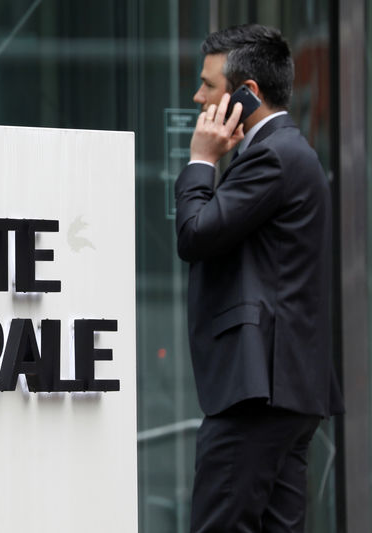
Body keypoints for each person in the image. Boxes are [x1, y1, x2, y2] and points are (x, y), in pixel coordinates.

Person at [175, 24, 344, 532]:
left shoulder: (272, 154)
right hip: (284, 391)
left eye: (208, 85)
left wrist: (202, 161)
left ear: (246, 94)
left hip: (257, 391)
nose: (197, 96)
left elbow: (195, 234)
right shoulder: (287, 153)